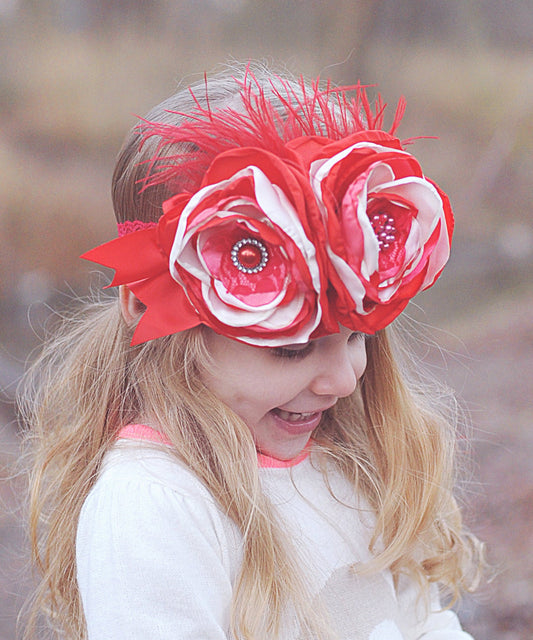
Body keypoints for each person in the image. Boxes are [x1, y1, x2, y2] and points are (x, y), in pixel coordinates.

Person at [21, 64, 485, 640]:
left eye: (359, 336)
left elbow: (421, 625)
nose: (344, 380)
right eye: (291, 350)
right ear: (146, 309)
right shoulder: (154, 506)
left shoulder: (351, 455)